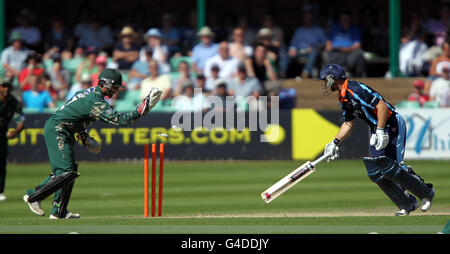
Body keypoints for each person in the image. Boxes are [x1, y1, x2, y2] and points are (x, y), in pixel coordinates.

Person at [23, 69, 162, 219]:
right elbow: (123, 121)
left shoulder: (89, 93)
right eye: (115, 87)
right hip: (58, 130)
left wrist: (83, 135)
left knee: (68, 172)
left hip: (65, 129)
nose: (116, 91)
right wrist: (144, 108)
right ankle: (33, 197)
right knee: (65, 172)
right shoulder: (96, 101)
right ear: (107, 84)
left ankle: (59, 210)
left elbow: (73, 113)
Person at [318, 63, 435, 216]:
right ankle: (407, 203)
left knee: (394, 167)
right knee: (377, 171)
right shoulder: (343, 97)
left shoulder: (356, 89)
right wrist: (335, 142)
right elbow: (348, 123)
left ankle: (426, 192)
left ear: (333, 79)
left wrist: (380, 130)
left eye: (325, 80)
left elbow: (383, 107)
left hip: (391, 123)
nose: (325, 84)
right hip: (377, 128)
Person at [0, 78, 25, 201]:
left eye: (8, 86)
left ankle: (0, 192)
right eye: (3, 86)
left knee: (1, 164)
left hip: (2, 136)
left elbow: (21, 121)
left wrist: (15, 132)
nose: (6, 89)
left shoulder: (14, 103)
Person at [325, 12, 366, 77]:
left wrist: (348, 49)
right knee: (326, 54)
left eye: (346, 20)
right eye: (342, 20)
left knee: (359, 52)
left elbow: (358, 44)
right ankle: (330, 73)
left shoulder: (354, 28)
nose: (344, 21)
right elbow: (329, 41)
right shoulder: (335, 27)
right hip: (336, 51)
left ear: (350, 20)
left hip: (350, 52)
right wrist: (329, 46)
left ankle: (359, 75)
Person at [287, 11, 327, 78]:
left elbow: (324, 43)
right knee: (286, 55)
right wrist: (292, 49)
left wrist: (314, 47)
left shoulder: (318, 30)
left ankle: (305, 72)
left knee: (313, 52)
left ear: (312, 19)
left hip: (312, 51)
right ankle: (282, 74)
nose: (307, 20)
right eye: (306, 18)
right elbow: (293, 43)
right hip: (299, 51)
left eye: (309, 18)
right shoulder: (299, 30)